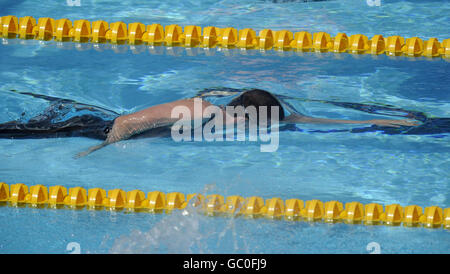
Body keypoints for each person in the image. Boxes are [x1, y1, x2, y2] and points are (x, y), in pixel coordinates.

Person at [0, 88, 428, 157]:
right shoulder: (201, 109)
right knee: (18, 133)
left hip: (109, 130)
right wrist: (101, 147)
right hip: (95, 126)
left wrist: (397, 123)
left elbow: (308, 119)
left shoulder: (268, 114)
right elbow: (130, 121)